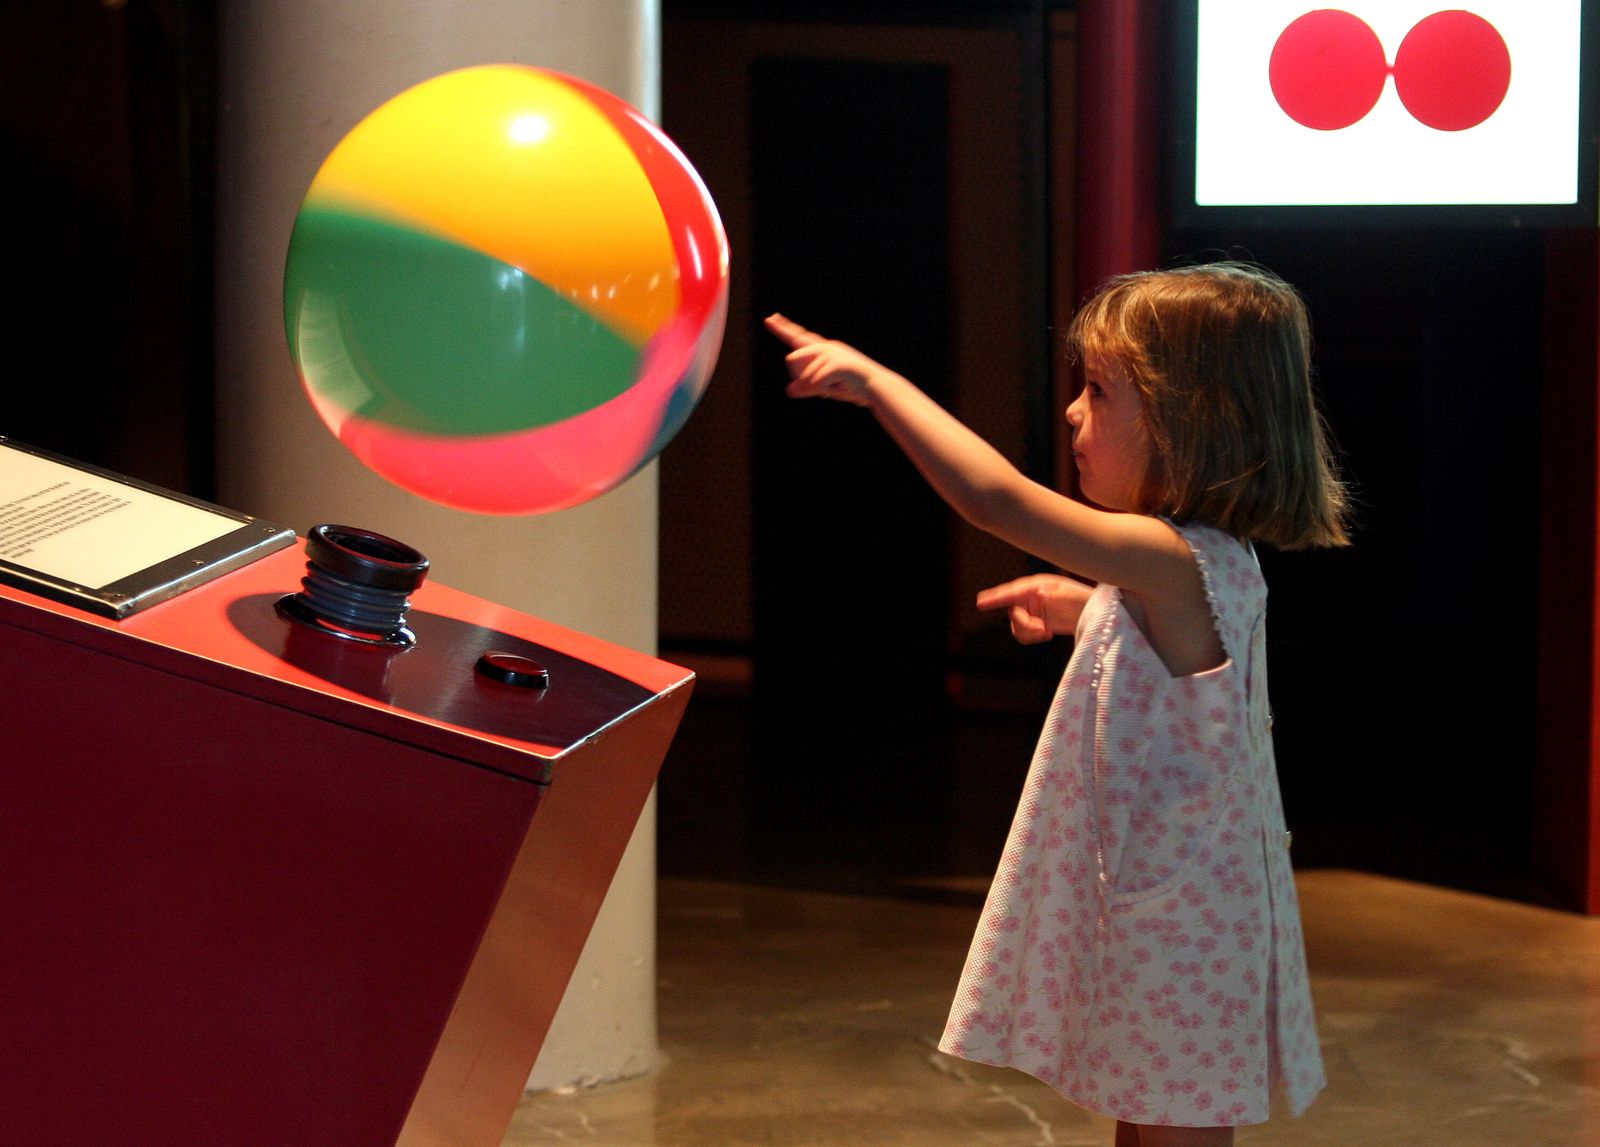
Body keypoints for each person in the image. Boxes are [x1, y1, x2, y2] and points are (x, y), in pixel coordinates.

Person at [765, 262, 1348, 1147]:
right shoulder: (1183, 567)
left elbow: (995, 499)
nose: (1075, 411)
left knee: (1170, 1127)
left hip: (1183, 931)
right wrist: (1086, 609)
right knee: (1140, 1117)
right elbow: (1194, 665)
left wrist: (877, 384)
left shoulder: (1176, 558)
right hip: (1172, 915)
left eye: (1102, 392)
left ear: (1195, 419)